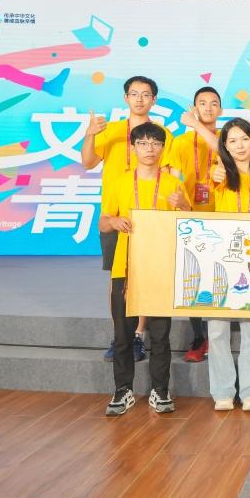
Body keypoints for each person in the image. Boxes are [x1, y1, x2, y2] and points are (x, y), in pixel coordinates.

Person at [184, 115, 250, 412]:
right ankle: (222, 391)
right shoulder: (220, 174)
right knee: (217, 330)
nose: (239, 145)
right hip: (220, 263)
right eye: (232, 140)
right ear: (224, 145)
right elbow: (216, 173)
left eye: (245, 139)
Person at [99, 122, 190, 416]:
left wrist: (184, 205)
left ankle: (160, 391)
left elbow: (189, 225)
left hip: (160, 266)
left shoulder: (173, 184)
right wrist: (114, 222)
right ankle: (122, 391)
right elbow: (103, 222)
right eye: (143, 143)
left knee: (160, 335)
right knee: (123, 334)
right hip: (126, 268)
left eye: (155, 143)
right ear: (133, 147)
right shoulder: (120, 182)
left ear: (163, 148)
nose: (149, 149)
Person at [82, 76, 173, 363]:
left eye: (146, 94)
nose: (139, 99)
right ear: (125, 98)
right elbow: (88, 162)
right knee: (118, 276)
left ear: (154, 100)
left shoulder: (161, 133)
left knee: (143, 277)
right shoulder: (111, 130)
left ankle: (137, 336)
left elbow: (167, 174)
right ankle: (120, 335)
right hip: (115, 215)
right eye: (134, 94)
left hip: (150, 218)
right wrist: (90, 134)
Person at [170, 86, 222, 364]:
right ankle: (199, 336)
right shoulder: (180, 142)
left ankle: (217, 335)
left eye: (214, 103)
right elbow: (174, 178)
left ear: (221, 110)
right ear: (194, 107)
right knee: (193, 278)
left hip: (224, 215)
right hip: (191, 216)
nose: (208, 108)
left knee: (220, 275)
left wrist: (196, 125)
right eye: (202, 103)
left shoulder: (229, 136)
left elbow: (225, 152)